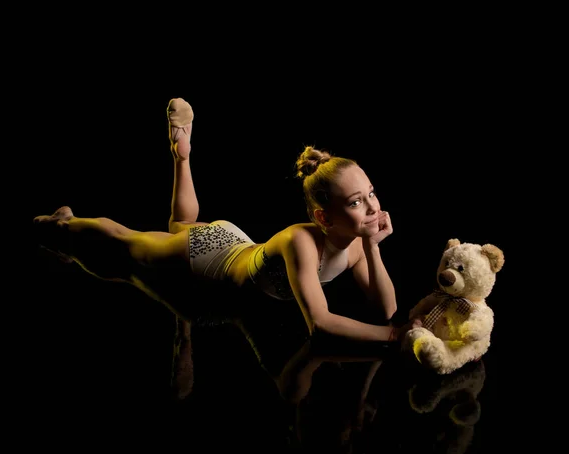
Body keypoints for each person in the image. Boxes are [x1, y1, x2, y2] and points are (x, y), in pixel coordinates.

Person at [33, 97, 419, 343]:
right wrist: (392, 336)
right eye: (356, 202)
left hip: (237, 243)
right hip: (206, 259)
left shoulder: (354, 248)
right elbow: (320, 323)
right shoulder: (301, 240)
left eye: (371, 193)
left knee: (178, 226)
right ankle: (61, 225)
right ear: (323, 217)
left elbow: (384, 307)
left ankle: (181, 157)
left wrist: (371, 248)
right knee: (123, 244)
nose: (372, 207)